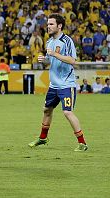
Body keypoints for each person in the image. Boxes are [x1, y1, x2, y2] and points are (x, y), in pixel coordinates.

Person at [29, 14, 88, 151]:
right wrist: (44, 60)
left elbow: (73, 61)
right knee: (47, 110)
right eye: (48, 24)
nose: (48, 26)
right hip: (53, 85)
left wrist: (55, 55)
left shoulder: (67, 40)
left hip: (66, 84)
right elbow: (52, 61)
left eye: (51, 24)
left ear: (59, 26)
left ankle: (82, 143)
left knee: (67, 112)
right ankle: (43, 138)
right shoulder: (49, 42)